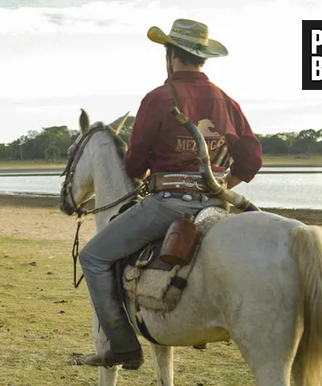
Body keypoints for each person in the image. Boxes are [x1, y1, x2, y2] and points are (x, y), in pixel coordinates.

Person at [79, 19, 263, 368]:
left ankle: (122, 346)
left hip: (166, 205)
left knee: (94, 257)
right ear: (201, 58)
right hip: (215, 206)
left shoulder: (158, 97)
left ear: (170, 54)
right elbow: (252, 158)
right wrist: (220, 187)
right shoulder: (226, 100)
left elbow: (133, 166)